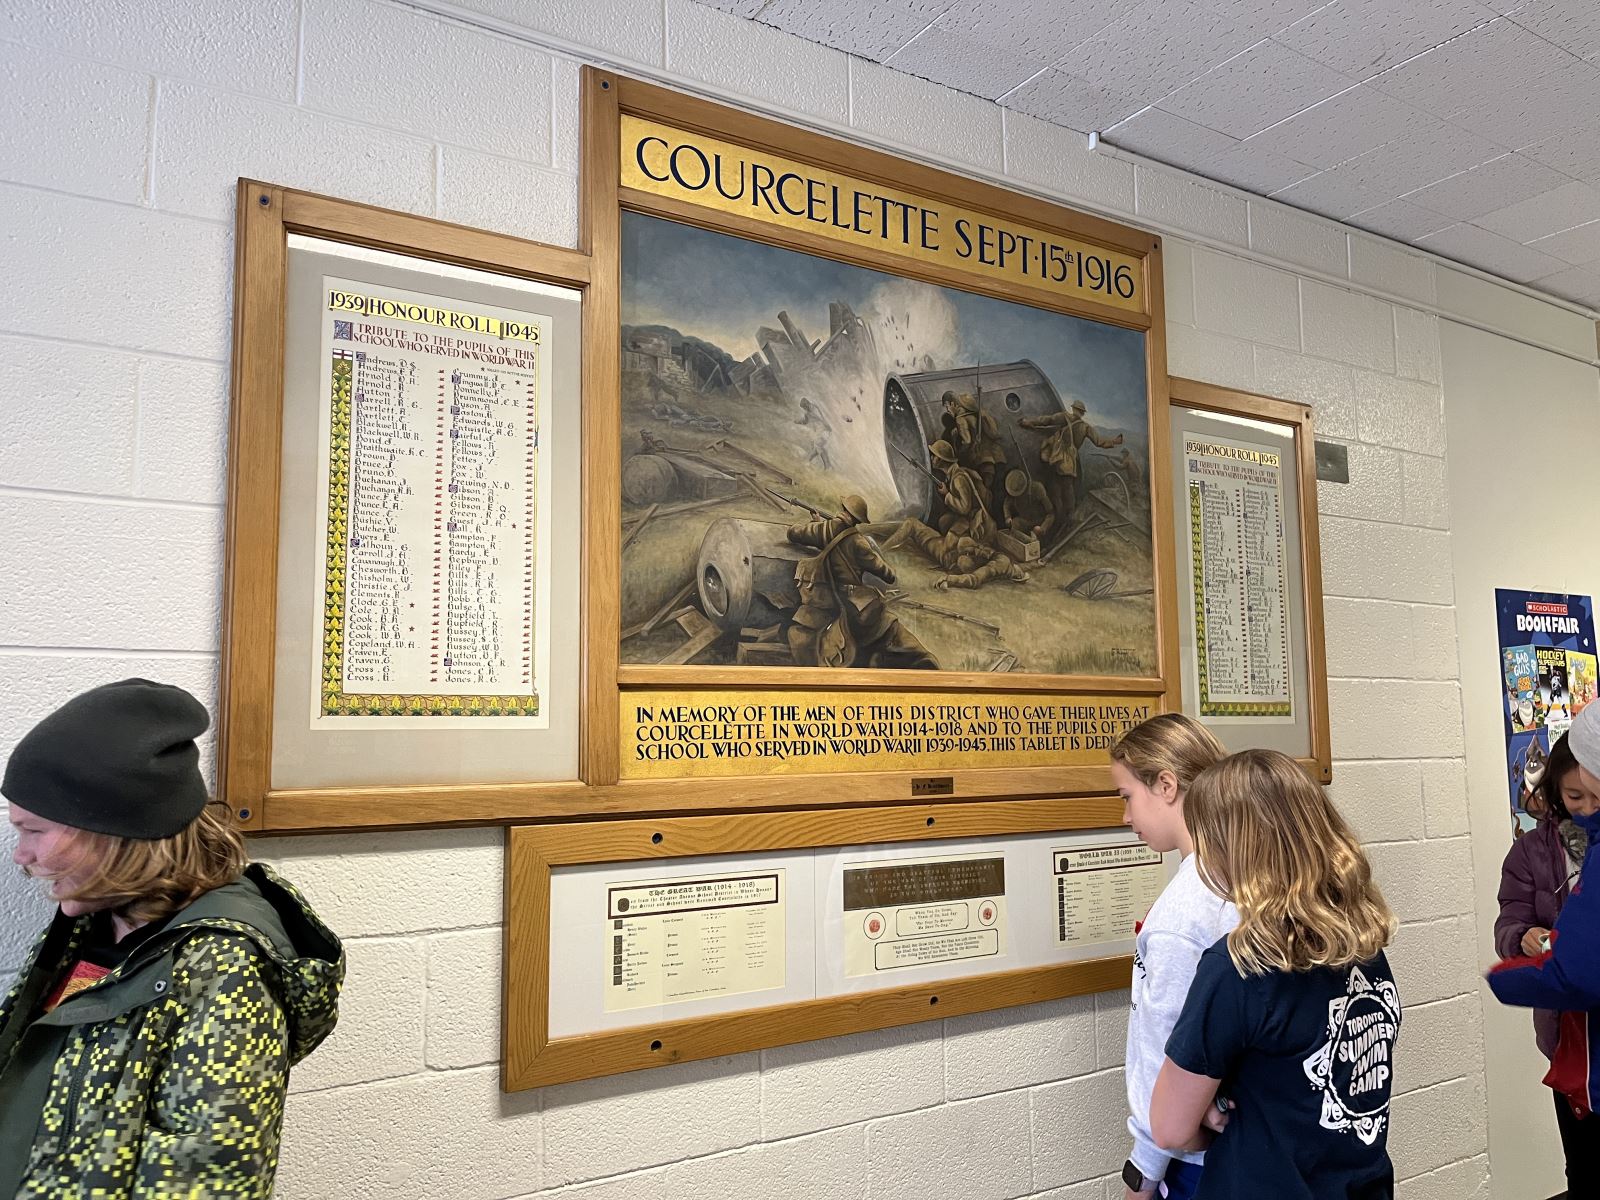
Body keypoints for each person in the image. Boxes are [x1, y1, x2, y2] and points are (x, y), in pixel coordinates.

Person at [0, 679, 344, 1198]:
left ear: (116, 832)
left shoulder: (224, 969)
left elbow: (207, 1177)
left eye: (35, 831)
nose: (21, 856)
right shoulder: (92, 924)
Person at [1150, 749, 1400, 1199]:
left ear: (1236, 849)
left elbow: (1169, 1128)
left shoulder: (1237, 968)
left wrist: (1210, 1115)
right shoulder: (1364, 950)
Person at [1111, 714, 1234, 1200]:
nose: (1124, 817)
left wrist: (1144, 1173)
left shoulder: (1184, 912)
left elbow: (1169, 1050)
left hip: (1189, 1165)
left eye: (1126, 797)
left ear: (1166, 785)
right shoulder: (1243, 878)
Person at [1490, 702, 1600, 1150]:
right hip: (1567, 1037)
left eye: (1598, 796)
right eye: (1575, 798)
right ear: (1554, 790)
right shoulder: (1530, 853)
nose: (1588, 808)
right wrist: (1525, 938)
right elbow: (1508, 924)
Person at [786, 496, 937, 670]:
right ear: (857, 519)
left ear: (845, 511)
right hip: (852, 606)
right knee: (887, 623)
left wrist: (817, 524)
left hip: (827, 601)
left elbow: (793, 532)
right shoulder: (858, 542)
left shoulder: (825, 530)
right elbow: (887, 574)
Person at [1019, 398, 1123, 527]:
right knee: (1067, 489)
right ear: (1083, 413)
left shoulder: (1063, 417)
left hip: (1057, 459)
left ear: (1073, 409)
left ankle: (1060, 519)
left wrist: (1029, 422)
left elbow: (1047, 420)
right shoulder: (1085, 427)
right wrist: (1114, 442)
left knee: (1056, 490)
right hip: (1070, 463)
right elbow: (1099, 442)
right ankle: (1069, 519)